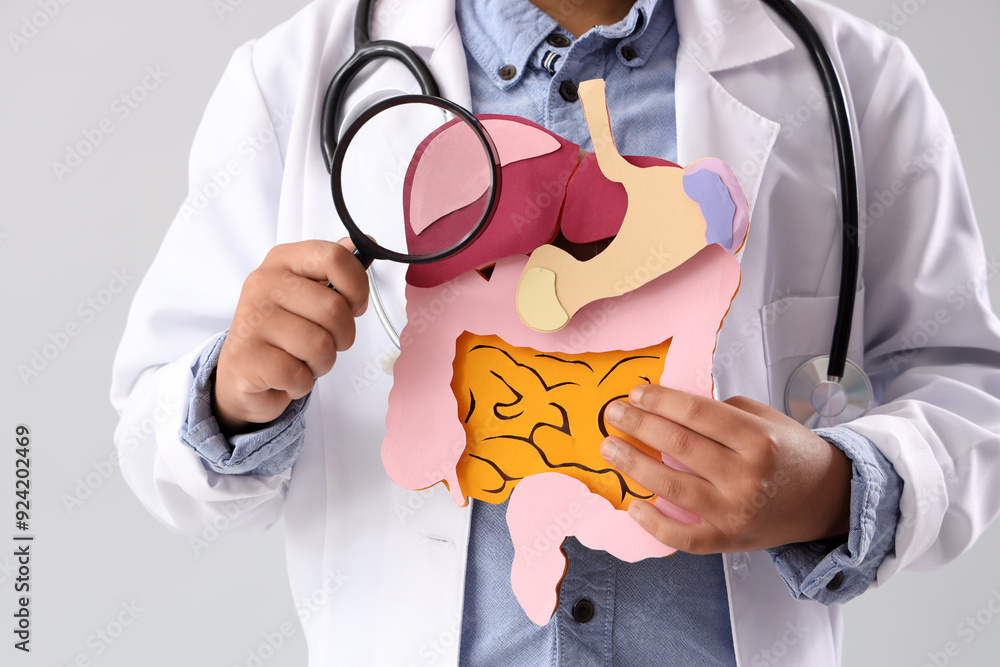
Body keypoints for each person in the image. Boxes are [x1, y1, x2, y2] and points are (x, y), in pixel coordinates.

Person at [110, 0, 1000, 664]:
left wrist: (832, 489)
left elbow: (967, 385)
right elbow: (154, 428)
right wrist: (233, 390)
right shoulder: (290, 82)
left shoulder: (856, 81)